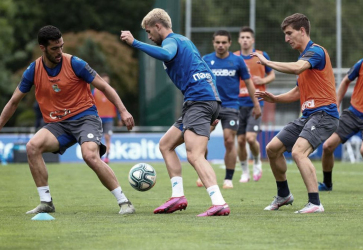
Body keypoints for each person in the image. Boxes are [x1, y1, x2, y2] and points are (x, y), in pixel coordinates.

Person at [0, 25, 136, 215]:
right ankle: (46, 202)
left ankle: (124, 202)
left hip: (85, 117)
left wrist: (123, 111)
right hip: (58, 125)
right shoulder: (33, 70)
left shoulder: (75, 63)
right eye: (54, 48)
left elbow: (105, 87)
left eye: (61, 46)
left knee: (89, 155)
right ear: (42, 48)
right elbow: (14, 101)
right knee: (32, 147)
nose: (59, 52)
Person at [121, 8, 230, 216]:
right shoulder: (185, 41)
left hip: (199, 101)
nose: (149, 36)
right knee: (166, 144)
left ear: (158, 26)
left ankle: (219, 202)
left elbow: (166, 53)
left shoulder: (171, 41)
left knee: (195, 155)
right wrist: (214, 110)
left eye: (149, 31)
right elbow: (208, 73)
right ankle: (177, 196)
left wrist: (135, 43)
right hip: (202, 100)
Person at [254, 13, 339, 213]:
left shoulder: (315, 52)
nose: (286, 38)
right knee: (272, 148)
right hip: (308, 116)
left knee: (298, 152)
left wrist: (268, 63)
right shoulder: (303, 58)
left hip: (324, 114)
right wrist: (275, 98)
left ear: (302, 31)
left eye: (289, 33)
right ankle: (284, 195)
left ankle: (315, 203)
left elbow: (297, 69)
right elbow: (298, 92)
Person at [198, 30, 261, 189]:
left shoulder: (238, 61)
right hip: (210, 106)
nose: (220, 45)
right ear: (213, 42)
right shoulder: (206, 60)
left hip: (231, 106)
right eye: (217, 42)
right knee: (201, 141)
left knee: (229, 140)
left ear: (229, 43)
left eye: (224, 42)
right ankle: (203, 174)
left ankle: (228, 178)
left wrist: (256, 104)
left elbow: (249, 84)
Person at [320, 36, 363, 191]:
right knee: (327, 146)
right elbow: (346, 81)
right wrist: (336, 104)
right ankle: (327, 184)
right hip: (353, 114)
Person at [234, 26, 275, 183]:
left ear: (252, 40)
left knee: (251, 139)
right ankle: (245, 172)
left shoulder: (262, 56)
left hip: (255, 103)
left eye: (247, 37)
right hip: (237, 104)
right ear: (238, 40)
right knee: (240, 140)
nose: (245, 40)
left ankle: (257, 162)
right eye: (242, 37)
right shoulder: (234, 57)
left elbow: (272, 75)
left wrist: (263, 80)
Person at [92, 73, 122, 163]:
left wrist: (120, 118)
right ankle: (99, 157)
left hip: (109, 118)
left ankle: (107, 157)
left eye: (107, 80)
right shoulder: (94, 92)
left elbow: (117, 105)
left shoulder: (113, 91)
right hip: (98, 118)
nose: (105, 82)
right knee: (98, 139)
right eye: (103, 80)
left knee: (107, 137)